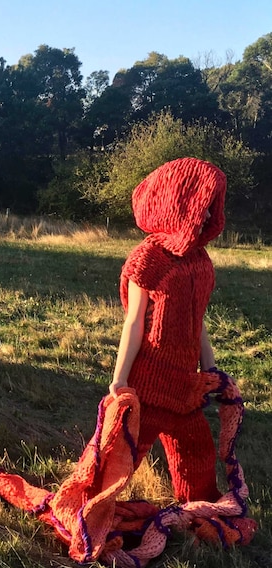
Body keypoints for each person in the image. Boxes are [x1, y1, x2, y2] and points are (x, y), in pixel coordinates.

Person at [109, 157, 227, 504]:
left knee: (197, 452)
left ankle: (197, 504)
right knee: (123, 454)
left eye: (212, 207)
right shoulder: (148, 260)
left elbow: (198, 318)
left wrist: (211, 368)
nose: (207, 215)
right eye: (202, 206)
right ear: (180, 203)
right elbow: (133, 322)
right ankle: (99, 502)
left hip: (186, 383)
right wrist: (120, 379)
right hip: (148, 380)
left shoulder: (199, 261)